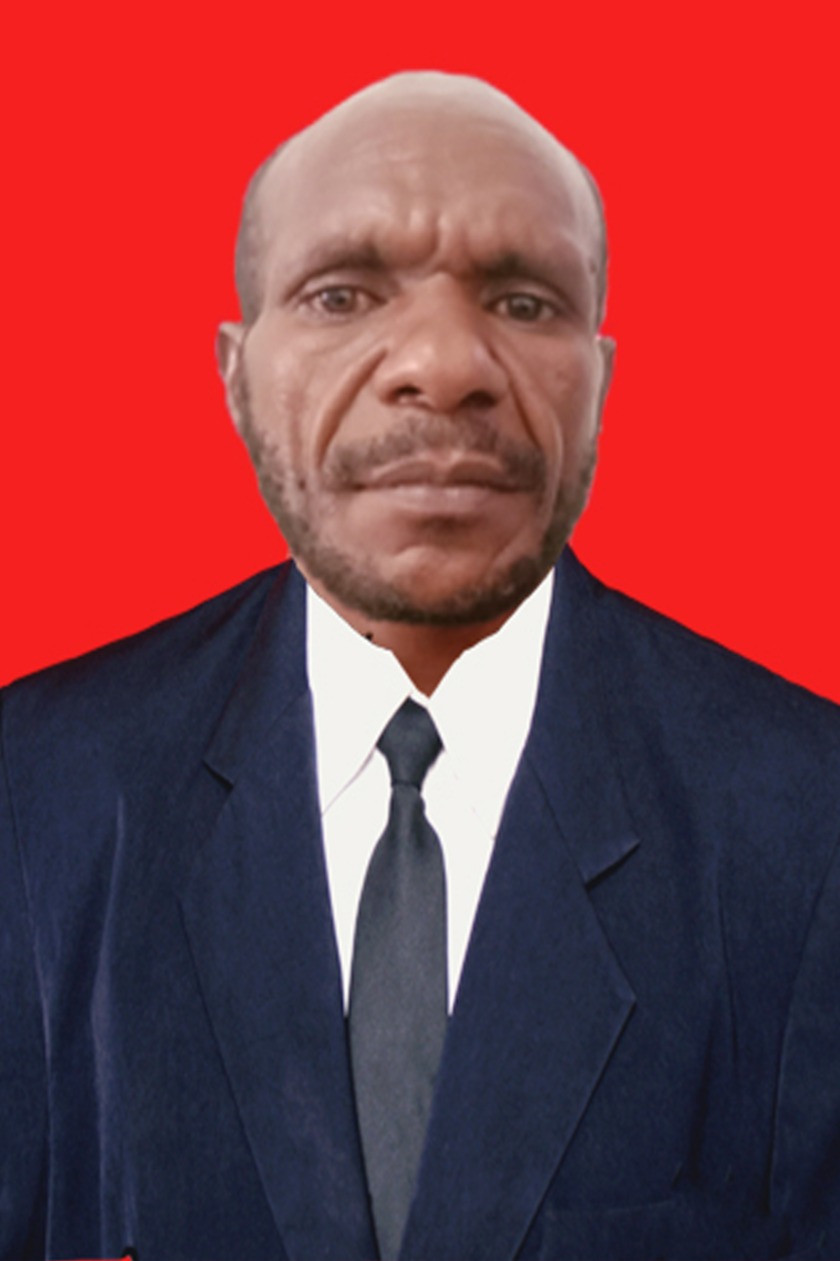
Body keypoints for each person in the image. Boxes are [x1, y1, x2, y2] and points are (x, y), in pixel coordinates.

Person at [2, 71, 840, 1261]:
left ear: (601, 380)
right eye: (342, 294)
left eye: (525, 301)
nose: (445, 364)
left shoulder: (810, 820)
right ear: (235, 376)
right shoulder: (37, 794)